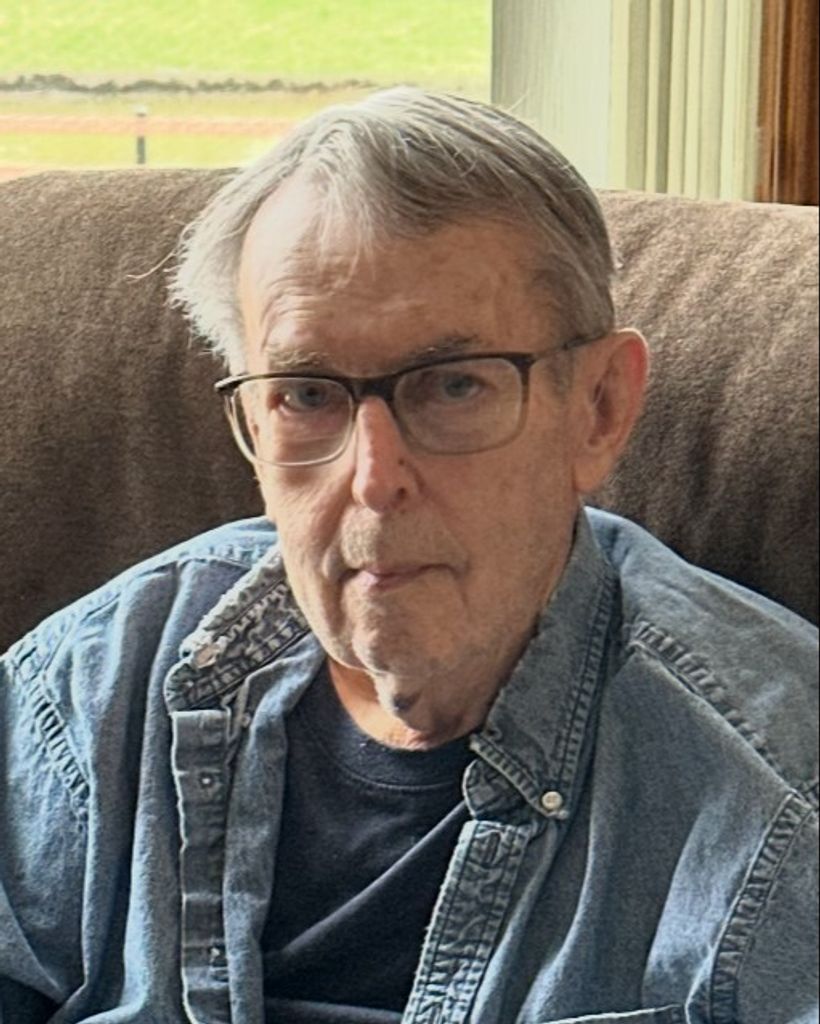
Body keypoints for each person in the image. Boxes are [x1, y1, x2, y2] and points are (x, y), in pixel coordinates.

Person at [0, 87, 816, 1024]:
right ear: (251, 424)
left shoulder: (777, 814)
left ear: (598, 409)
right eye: (307, 395)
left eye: (454, 386)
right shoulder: (94, 691)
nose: (374, 478)